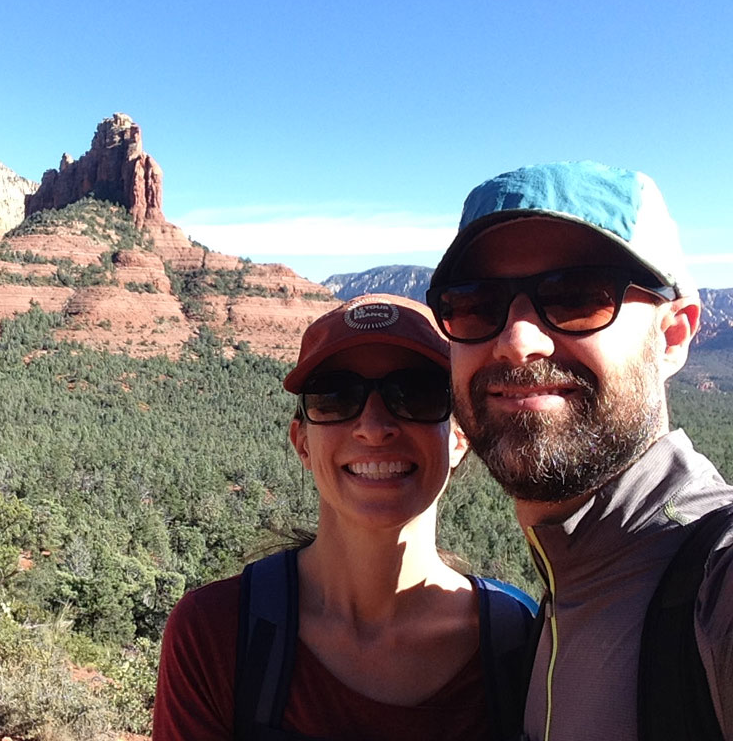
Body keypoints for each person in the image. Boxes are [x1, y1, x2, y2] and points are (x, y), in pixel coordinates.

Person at [425, 160, 733, 741]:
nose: (517, 342)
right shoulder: (555, 603)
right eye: (474, 304)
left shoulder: (715, 582)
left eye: (576, 297)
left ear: (673, 336)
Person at [152, 294, 535, 741]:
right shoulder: (217, 634)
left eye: (415, 393)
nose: (373, 427)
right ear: (303, 443)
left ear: (458, 437)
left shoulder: (520, 640)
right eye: (336, 397)